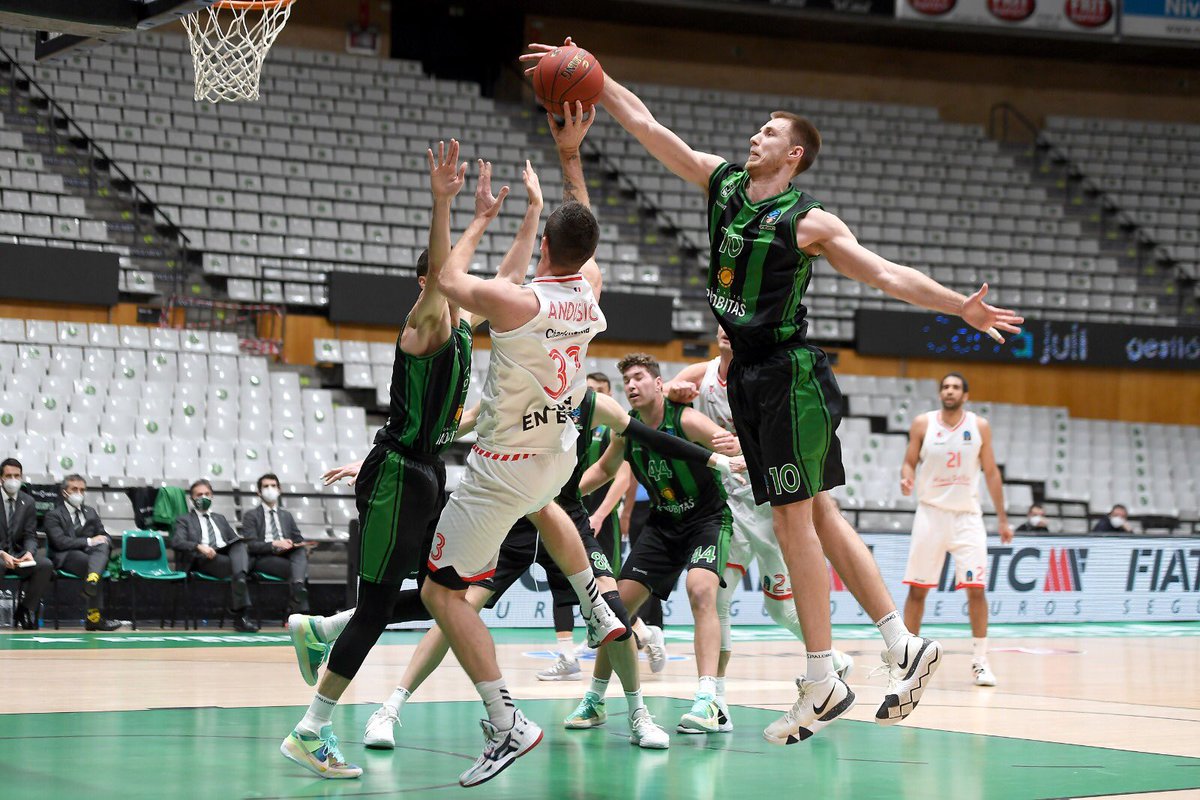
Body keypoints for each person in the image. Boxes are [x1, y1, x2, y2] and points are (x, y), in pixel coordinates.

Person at [522, 37, 1023, 744]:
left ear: (793, 155)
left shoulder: (808, 220)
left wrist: (957, 308)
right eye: (757, 129)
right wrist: (594, 78)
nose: (755, 136)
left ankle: (821, 676)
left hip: (787, 374)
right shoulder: (724, 183)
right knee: (816, 513)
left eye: (769, 132)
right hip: (751, 379)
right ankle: (901, 644)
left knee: (794, 523)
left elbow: (884, 273)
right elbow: (649, 128)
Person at [417, 124, 637, 785]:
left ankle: (506, 720)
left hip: (504, 466)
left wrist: (452, 204)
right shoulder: (587, 292)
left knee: (441, 594)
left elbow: (444, 277)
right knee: (545, 506)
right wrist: (567, 165)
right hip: (559, 454)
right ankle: (595, 603)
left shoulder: (514, 303)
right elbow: (581, 228)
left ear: (544, 245)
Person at [280, 140, 502, 781]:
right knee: (380, 608)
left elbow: (497, 278)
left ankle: (325, 630)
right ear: (430, 281)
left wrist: (489, 219)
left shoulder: (463, 329)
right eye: (450, 272)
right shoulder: (426, 323)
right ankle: (311, 729)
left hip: (424, 470)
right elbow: (443, 270)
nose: (461, 279)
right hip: (401, 476)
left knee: (447, 595)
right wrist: (445, 206)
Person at [665, 327, 852, 730]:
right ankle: (714, 703)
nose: (725, 331)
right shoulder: (702, 373)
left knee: (780, 608)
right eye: (721, 324)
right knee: (715, 599)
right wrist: (672, 391)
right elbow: (663, 402)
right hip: (727, 507)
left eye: (733, 326)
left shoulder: (766, 375)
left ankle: (833, 661)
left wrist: (749, 451)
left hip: (772, 508)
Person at [568, 352, 743, 736]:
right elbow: (604, 469)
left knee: (701, 591)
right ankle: (596, 699)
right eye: (627, 380)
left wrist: (739, 453)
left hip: (706, 521)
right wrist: (562, 496)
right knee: (614, 610)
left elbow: (728, 445)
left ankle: (708, 700)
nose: (631, 385)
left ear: (659, 384)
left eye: (639, 377)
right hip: (663, 526)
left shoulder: (685, 420)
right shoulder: (626, 430)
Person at [899, 372, 1012, 687]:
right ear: (940, 394)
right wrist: (906, 477)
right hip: (931, 514)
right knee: (917, 590)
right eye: (945, 387)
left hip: (967, 517)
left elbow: (991, 473)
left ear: (965, 395)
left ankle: (980, 661)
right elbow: (909, 462)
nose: (950, 391)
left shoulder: (979, 426)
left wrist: (1003, 519)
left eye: (956, 387)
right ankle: (907, 661)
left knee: (976, 589)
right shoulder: (923, 423)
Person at [172, 478, 258, 633]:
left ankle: (240, 598)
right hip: (204, 559)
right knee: (242, 568)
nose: (203, 497)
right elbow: (177, 542)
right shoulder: (184, 519)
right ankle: (241, 615)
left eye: (207, 494)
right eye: (199, 495)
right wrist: (199, 546)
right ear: (192, 499)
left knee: (238, 545)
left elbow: (234, 540)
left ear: (212, 496)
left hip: (225, 557)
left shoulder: (220, 518)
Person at [44, 473, 121, 630]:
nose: (79, 493)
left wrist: (104, 540)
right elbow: (60, 542)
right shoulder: (53, 515)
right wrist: (89, 541)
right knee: (93, 565)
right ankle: (94, 618)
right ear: (64, 492)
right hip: (66, 556)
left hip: (91, 554)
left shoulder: (90, 512)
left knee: (103, 546)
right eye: (74, 489)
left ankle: (92, 579)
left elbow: (103, 534)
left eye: (82, 490)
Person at [241, 473, 311, 614]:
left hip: (286, 554)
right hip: (264, 557)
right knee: (297, 570)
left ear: (279, 490)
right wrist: (274, 544)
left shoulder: (286, 515)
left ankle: (297, 589)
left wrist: (293, 543)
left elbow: (298, 539)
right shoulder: (251, 515)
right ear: (259, 492)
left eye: (273, 486)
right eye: (266, 486)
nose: (270, 489)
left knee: (300, 551)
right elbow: (251, 545)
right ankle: (300, 607)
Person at [0, 458, 52, 629]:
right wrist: (2, 554)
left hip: (18, 555)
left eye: (17, 476)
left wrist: (29, 552)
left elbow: (30, 534)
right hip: (0, 555)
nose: (13, 480)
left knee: (44, 565)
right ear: (1, 478)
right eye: (9, 476)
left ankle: (25, 610)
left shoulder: (28, 501)